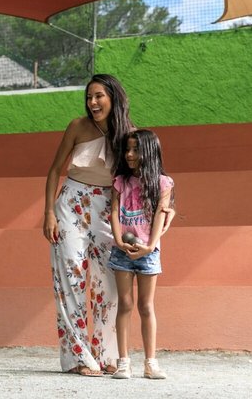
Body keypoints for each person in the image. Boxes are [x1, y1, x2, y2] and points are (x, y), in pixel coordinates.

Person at [43, 74, 136, 376]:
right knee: (70, 278)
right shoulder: (77, 126)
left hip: (108, 208)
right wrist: (49, 213)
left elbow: (138, 181)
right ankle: (78, 357)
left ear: (114, 97)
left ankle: (105, 352)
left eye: (99, 96)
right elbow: (54, 170)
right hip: (71, 202)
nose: (92, 102)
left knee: (110, 282)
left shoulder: (130, 134)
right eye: (88, 97)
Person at [108, 129, 174, 380]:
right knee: (124, 304)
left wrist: (150, 246)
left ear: (149, 151)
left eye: (135, 150)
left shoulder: (163, 183)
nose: (129, 154)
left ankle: (151, 363)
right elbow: (114, 212)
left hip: (149, 252)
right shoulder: (120, 181)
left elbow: (160, 214)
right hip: (122, 252)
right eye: (127, 149)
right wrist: (118, 241)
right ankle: (123, 362)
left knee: (146, 306)